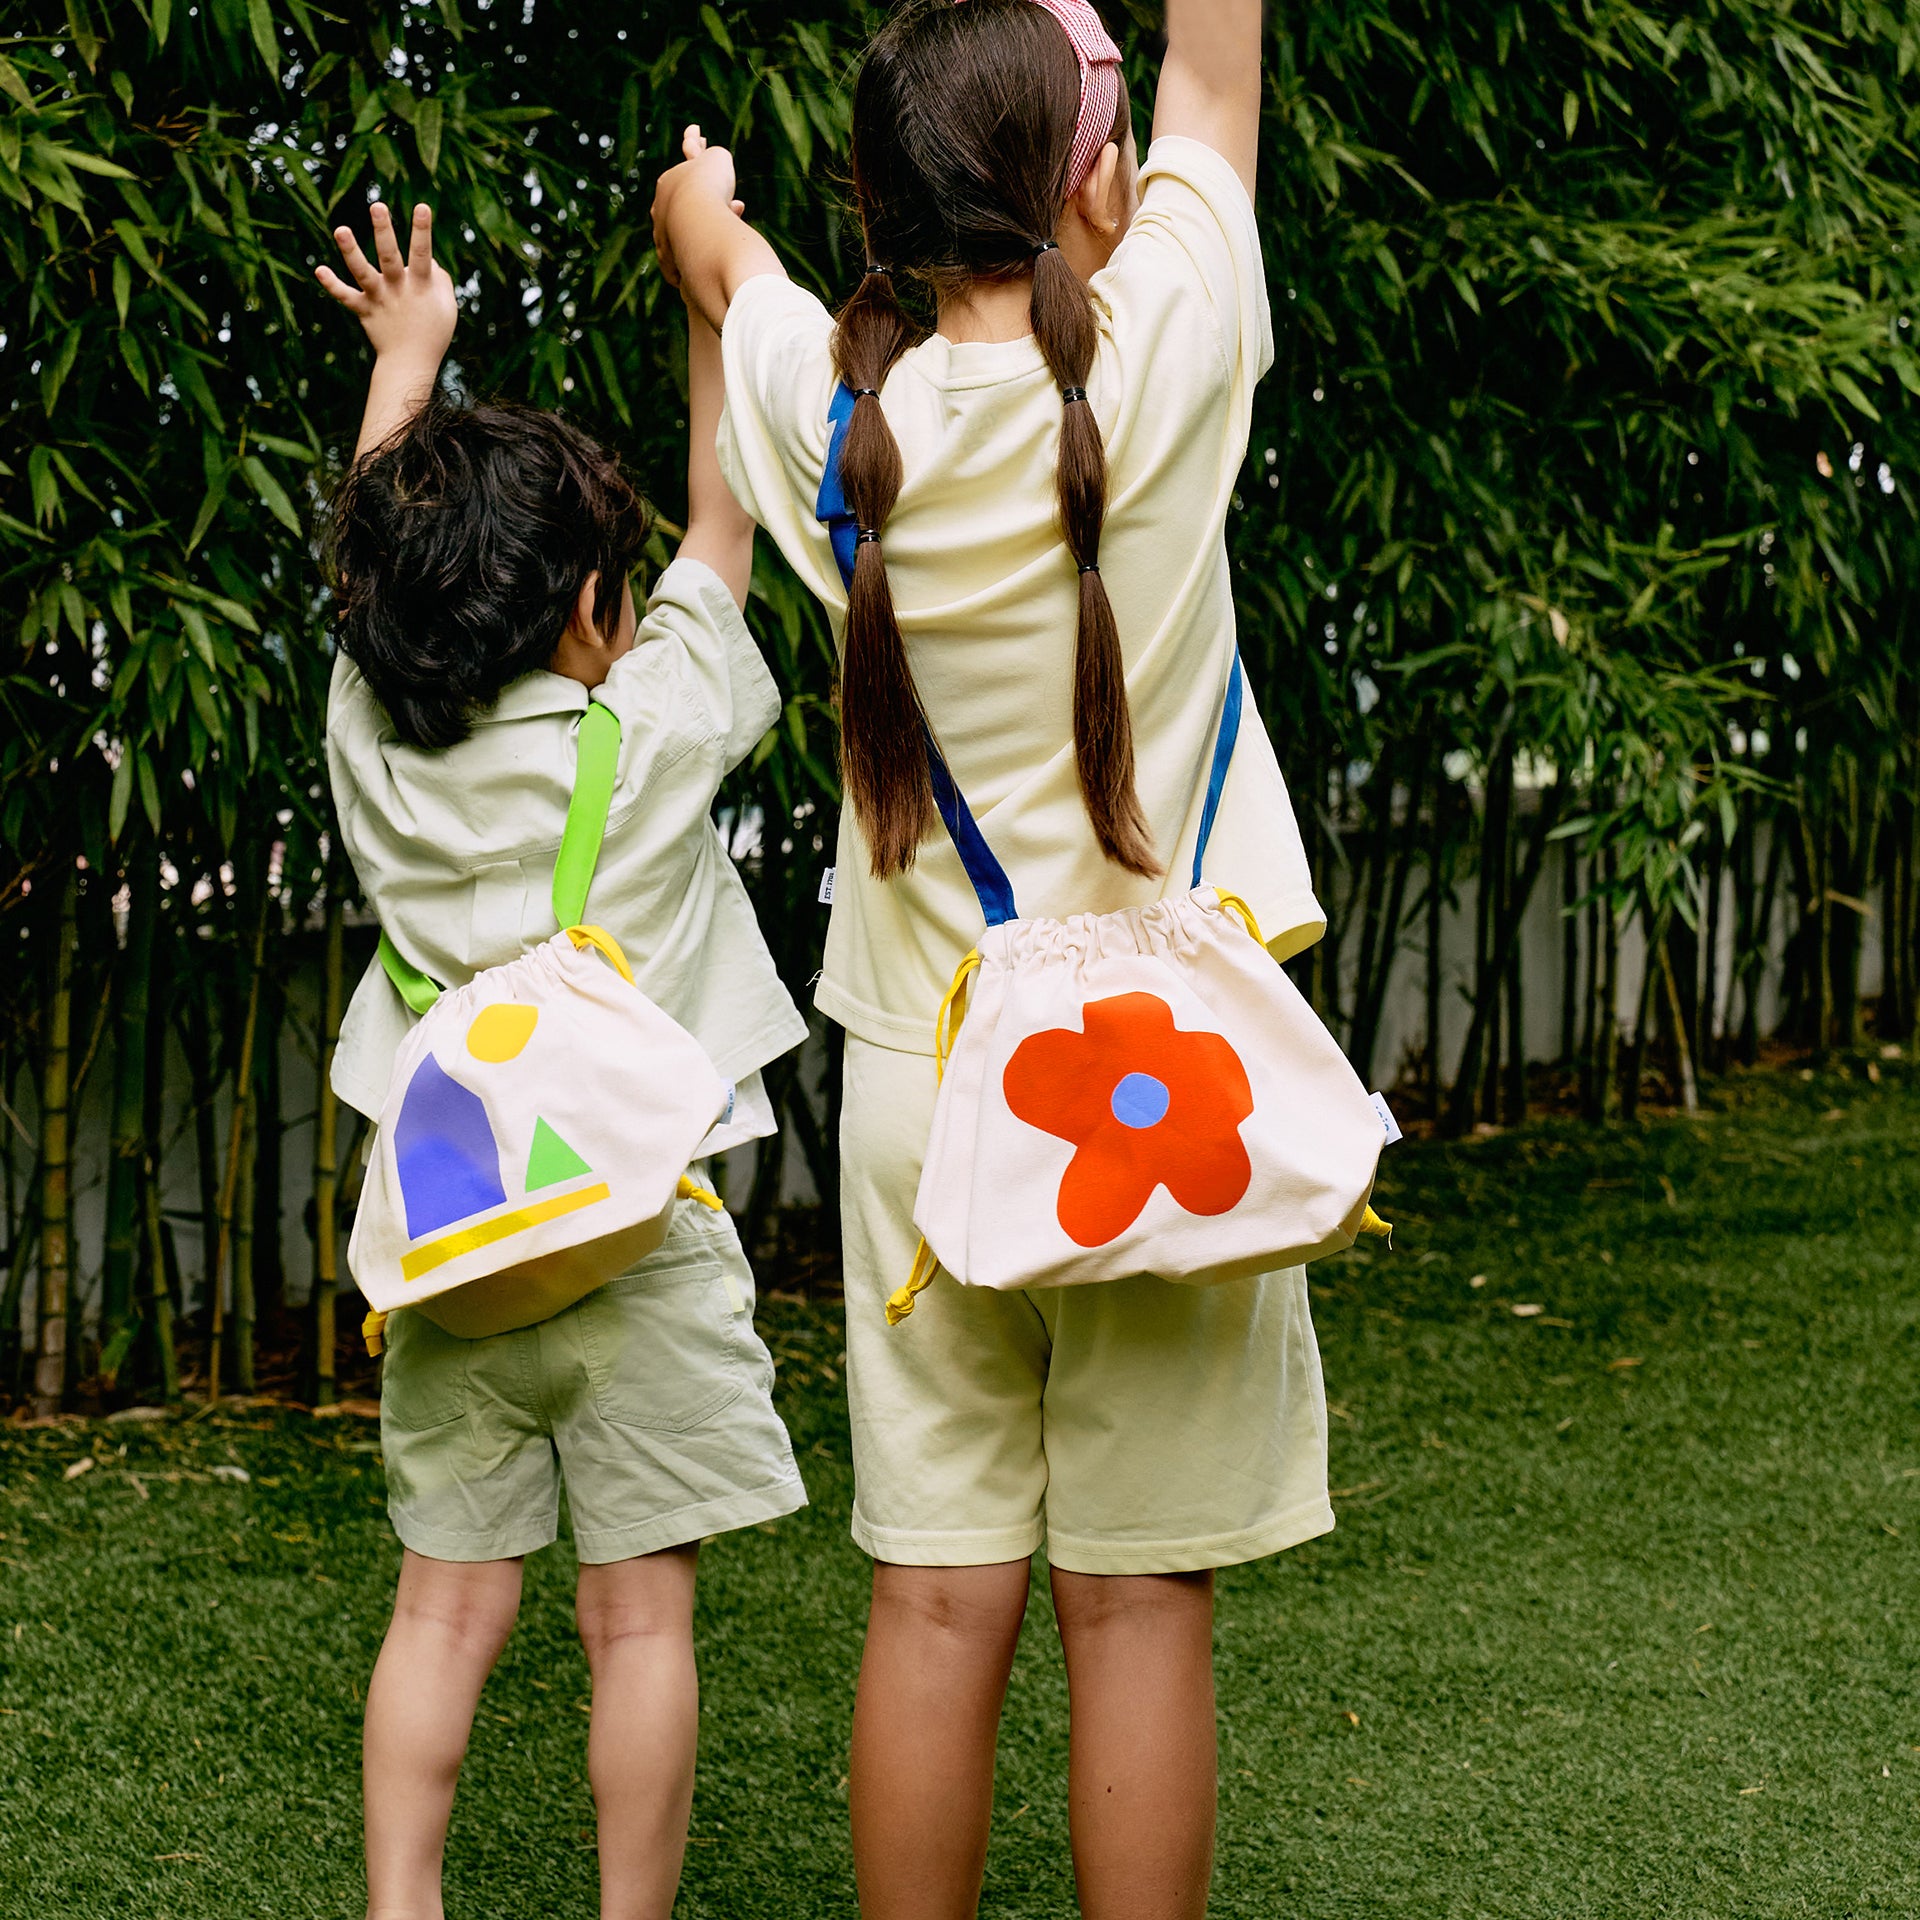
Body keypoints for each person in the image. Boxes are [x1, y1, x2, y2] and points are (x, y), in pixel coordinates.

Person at [654, 2, 1325, 1915]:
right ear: (1090, 186)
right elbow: (1220, 66)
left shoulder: (834, 413)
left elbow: (726, 256)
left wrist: (697, 207)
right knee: (1138, 1607)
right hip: (1167, 1103)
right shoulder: (1173, 347)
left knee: (939, 1603)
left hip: (923, 1100)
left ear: (883, 205)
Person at [315, 149, 809, 1920]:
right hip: (639, 1248)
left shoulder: (370, 747)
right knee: (639, 1617)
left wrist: (405, 359)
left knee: (442, 1608)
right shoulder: (648, 736)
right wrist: (712, 295)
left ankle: (401, 1908)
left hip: (454, 1246)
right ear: (598, 612)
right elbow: (728, 519)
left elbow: (373, 572)